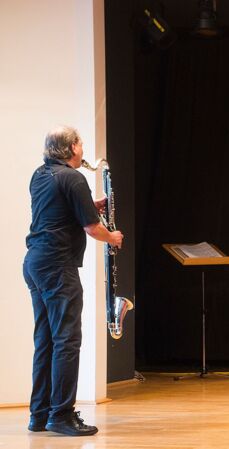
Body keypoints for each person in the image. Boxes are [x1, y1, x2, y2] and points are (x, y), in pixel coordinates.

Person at [23, 126, 123, 436]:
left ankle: (39, 415)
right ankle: (62, 415)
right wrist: (113, 237)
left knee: (46, 340)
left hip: (35, 263)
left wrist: (89, 207)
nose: (83, 150)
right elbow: (93, 229)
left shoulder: (40, 175)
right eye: (81, 144)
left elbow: (60, 211)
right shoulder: (73, 178)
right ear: (72, 148)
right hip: (57, 267)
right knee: (67, 340)